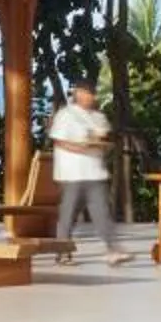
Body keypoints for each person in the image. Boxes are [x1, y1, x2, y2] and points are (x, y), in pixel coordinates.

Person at [46, 81, 132, 265]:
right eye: (85, 94)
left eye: (91, 94)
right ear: (77, 94)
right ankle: (62, 251)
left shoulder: (98, 117)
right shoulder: (66, 115)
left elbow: (104, 138)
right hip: (72, 172)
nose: (89, 98)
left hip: (95, 172)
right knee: (69, 213)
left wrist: (101, 145)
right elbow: (58, 140)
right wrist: (79, 147)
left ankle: (112, 249)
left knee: (101, 212)